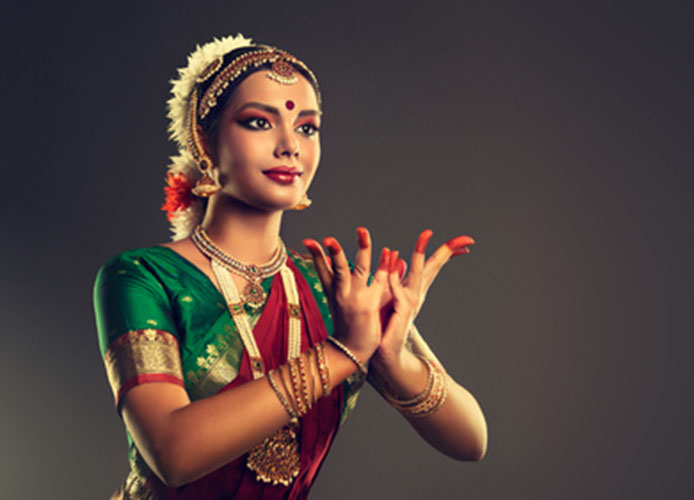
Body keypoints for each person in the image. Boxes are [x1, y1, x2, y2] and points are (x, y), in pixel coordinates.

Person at [94, 34, 487, 500]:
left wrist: (390, 356)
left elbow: (471, 442)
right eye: (259, 122)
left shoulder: (334, 293)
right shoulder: (143, 276)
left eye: (307, 127)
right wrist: (342, 354)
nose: (290, 146)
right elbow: (173, 453)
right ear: (204, 140)